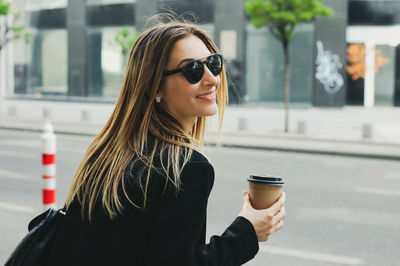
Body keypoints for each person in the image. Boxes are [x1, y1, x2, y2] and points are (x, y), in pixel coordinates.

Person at [47, 17, 286, 266]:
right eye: (192, 69)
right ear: (155, 88)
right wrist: (247, 231)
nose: (212, 79)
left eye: (213, 64)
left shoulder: (107, 153)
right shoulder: (186, 168)